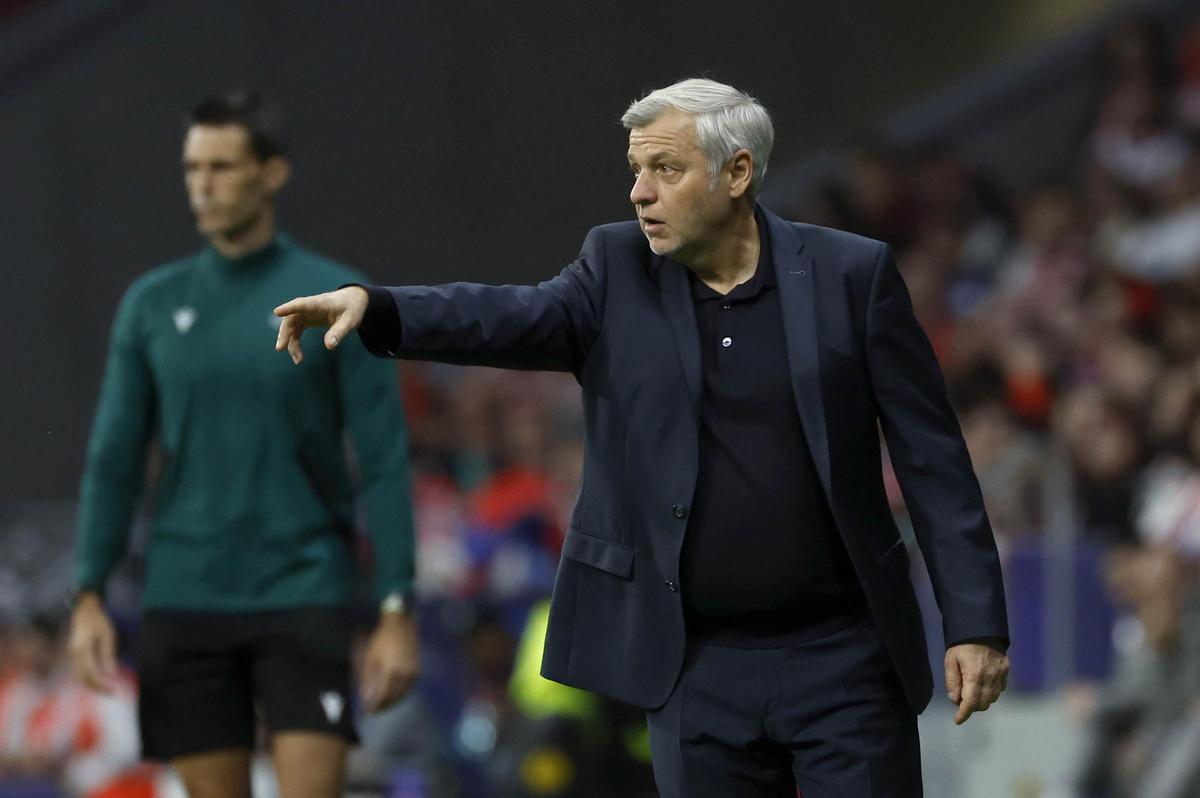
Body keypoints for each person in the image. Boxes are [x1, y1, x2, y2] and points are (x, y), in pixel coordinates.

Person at [274, 78, 1011, 797]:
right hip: (693, 665)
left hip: (844, 656)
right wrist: (376, 308)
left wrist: (975, 624)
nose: (639, 192)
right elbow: (502, 316)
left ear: (737, 173)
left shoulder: (851, 274)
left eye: (665, 169)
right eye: (636, 171)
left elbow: (932, 458)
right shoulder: (615, 268)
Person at [68, 90, 419, 798]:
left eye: (223, 166)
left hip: (305, 589)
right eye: (194, 167)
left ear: (272, 173)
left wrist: (395, 608)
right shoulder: (152, 304)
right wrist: (89, 591)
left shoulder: (332, 297)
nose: (203, 184)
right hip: (187, 595)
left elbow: (383, 461)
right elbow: (114, 458)